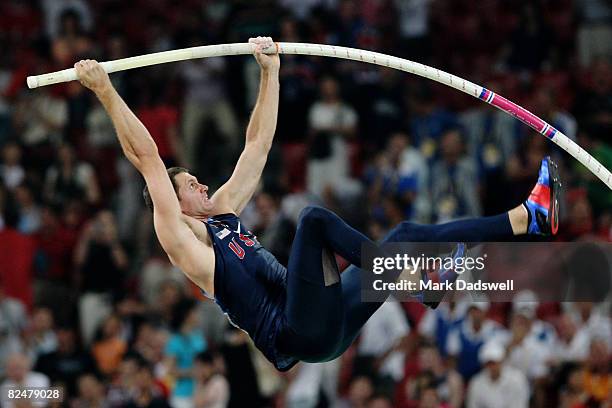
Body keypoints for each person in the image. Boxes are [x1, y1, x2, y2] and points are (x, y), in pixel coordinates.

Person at [74, 36, 561, 372]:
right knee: (313, 219)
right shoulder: (185, 238)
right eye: (190, 185)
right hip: (298, 330)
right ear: (172, 203)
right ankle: (417, 279)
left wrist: (271, 72)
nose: (201, 184)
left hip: (325, 323)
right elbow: (147, 157)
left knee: (405, 235)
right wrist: (105, 90)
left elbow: (258, 145)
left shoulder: (221, 212)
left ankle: (525, 218)